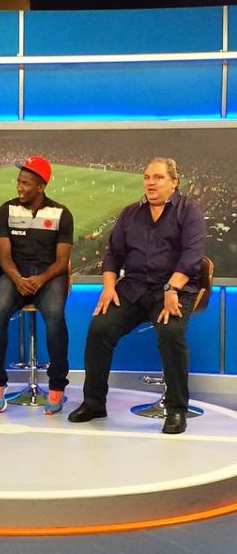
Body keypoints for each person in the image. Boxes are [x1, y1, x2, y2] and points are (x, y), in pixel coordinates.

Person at [68, 157, 206, 435]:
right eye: (147, 177)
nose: (150, 183)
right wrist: (108, 288)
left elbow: (192, 258)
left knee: (171, 332)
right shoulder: (130, 213)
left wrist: (172, 288)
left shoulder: (189, 211)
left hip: (172, 290)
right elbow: (114, 255)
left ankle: (176, 409)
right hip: (132, 289)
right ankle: (94, 402)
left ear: (174, 182)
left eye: (158, 177)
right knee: (99, 328)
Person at [0, 155, 74, 414]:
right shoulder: (5, 211)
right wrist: (17, 279)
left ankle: (57, 386)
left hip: (50, 275)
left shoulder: (61, 214)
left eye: (26, 183)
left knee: (55, 317)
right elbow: (4, 256)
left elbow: (62, 261)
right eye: (18, 181)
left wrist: (40, 279)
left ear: (41, 186)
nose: (20, 187)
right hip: (15, 274)